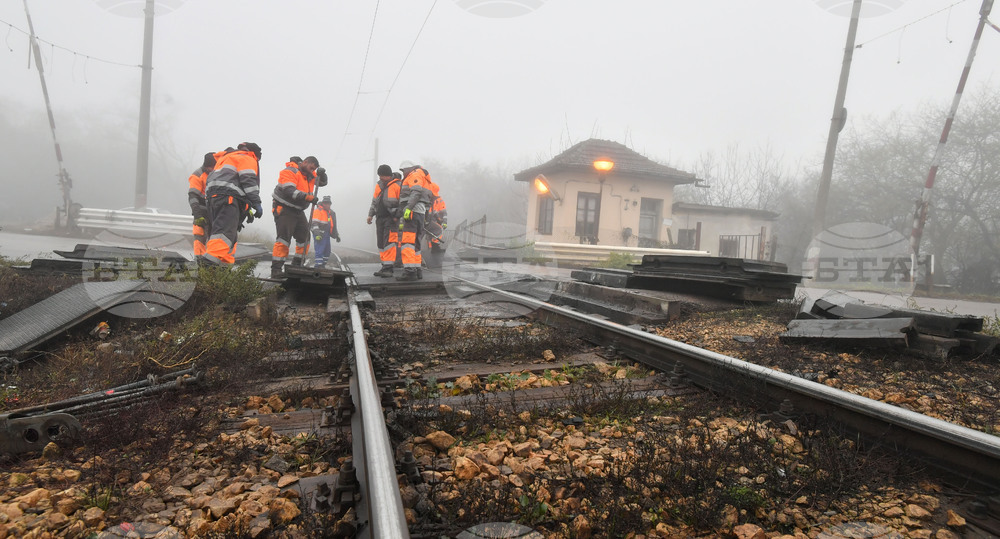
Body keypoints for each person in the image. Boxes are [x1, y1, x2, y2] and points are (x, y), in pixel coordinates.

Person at [203, 142, 262, 266]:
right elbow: (248, 181)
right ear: (255, 154)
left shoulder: (227, 158)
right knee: (223, 234)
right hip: (228, 199)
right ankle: (208, 263)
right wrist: (256, 202)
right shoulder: (247, 157)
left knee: (225, 235)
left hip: (214, 199)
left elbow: (231, 182)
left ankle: (223, 271)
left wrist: (246, 210)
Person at [270, 155, 327, 278]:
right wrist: (307, 197)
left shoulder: (309, 175)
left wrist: (322, 174)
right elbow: (289, 190)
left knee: (304, 237)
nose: (312, 171)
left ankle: (297, 265)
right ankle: (276, 270)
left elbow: (322, 182)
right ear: (305, 162)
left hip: (298, 211)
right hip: (284, 208)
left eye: (314, 169)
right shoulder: (290, 171)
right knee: (284, 239)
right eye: (311, 167)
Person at [396, 160, 433, 281]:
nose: (403, 173)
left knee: (407, 242)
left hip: (412, 211)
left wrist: (408, 208)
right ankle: (417, 270)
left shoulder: (414, 175)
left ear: (408, 169)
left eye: (403, 170)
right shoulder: (422, 175)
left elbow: (416, 192)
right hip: (420, 212)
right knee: (416, 242)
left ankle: (409, 272)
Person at [367, 164, 401, 277]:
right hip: (380, 217)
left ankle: (389, 267)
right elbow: (374, 201)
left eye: (382, 175)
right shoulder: (379, 185)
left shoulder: (397, 185)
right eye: (379, 175)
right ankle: (384, 265)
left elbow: (403, 203)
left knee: (389, 242)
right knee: (381, 243)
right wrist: (370, 214)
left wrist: (397, 216)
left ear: (388, 175)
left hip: (391, 218)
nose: (380, 177)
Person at [187, 152, 216, 258]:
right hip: (201, 212)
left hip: (214, 213)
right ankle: (199, 264)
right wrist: (198, 215)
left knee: (215, 241)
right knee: (199, 239)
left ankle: (211, 265)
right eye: (211, 167)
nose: (213, 169)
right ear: (207, 166)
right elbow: (193, 196)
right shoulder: (197, 175)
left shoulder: (217, 174)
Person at [423, 178, 448, 268]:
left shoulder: (438, 200)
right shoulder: (426, 199)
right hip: (427, 221)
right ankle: (432, 251)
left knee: (436, 232)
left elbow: (443, 212)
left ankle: (434, 249)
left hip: (432, 221)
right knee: (432, 235)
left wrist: (443, 221)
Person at [311, 196, 340, 268]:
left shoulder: (330, 213)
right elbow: (314, 224)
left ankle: (322, 265)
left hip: (326, 235)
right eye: (325, 203)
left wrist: (337, 235)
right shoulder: (318, 211)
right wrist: (317, 234)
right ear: (323, 203)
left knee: (327, 251)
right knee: (320, 250)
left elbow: (333, 225)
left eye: (328, 203)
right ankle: (318, 266)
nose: (327, 205)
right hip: (319, 234)